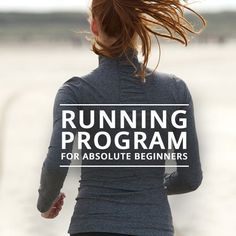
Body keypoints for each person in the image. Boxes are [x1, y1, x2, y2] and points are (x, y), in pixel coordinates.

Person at [37, 0, 206, 236]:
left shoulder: (75, 91)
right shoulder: (175, 90)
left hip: (91, 225)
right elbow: (190, 178)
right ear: (139, 27)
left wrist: (45, 203)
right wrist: (148, 186)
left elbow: (57, 163)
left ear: (95, 27)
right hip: (153, 227)